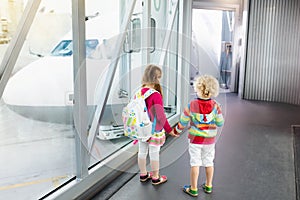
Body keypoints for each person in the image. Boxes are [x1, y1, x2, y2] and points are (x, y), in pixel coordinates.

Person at [174, 75, 224, 197]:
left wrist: (176, 131)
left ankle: (194, 188)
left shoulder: (192, 105)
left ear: (197, 88)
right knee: (209, 162)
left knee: (195, 163)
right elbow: (220, 122)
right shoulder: (216, 105)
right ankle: (208, 185)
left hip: (195, 140)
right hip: (210, 141)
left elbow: (183, 122)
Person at [137, 64, 178, 185]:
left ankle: (143, 174)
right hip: (154, 129)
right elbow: (160, 116)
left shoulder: (139, 92)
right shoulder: (155, 94)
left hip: (141, 128)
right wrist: (170, 130)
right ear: (156, 78)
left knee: (142, 151)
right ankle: (155, 177)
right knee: (154, 153)